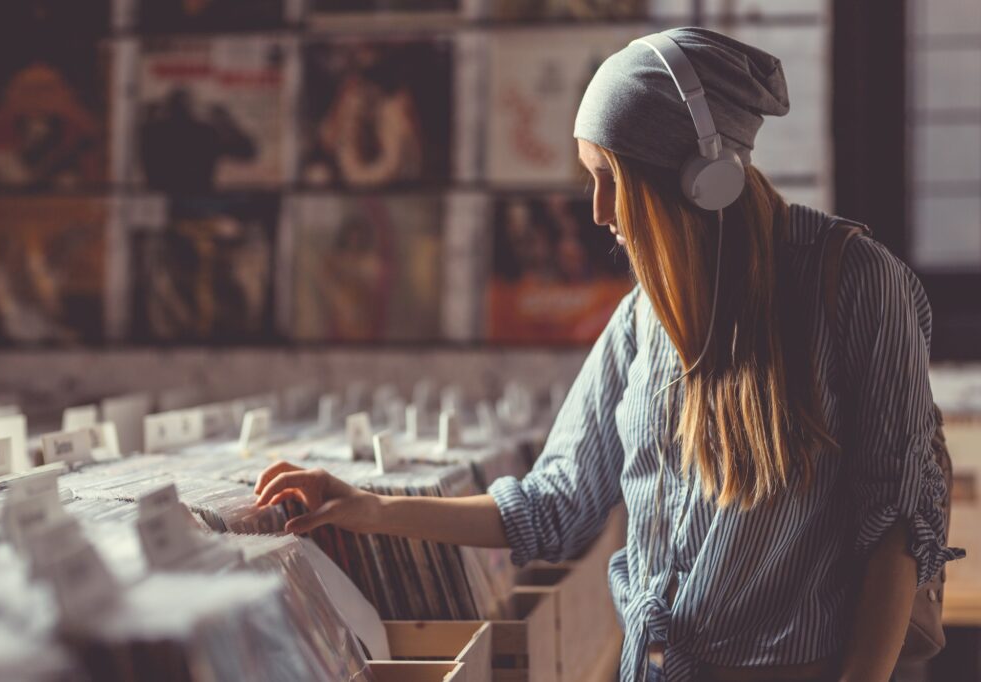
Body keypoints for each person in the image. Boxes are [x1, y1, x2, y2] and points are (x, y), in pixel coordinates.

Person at [252, 28, 963, 682]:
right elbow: (550, 508)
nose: (597, 210)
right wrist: (368, 507)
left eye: (610, 178)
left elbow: (897, 526)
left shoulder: (857, 282)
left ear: (698, 179)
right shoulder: (639, 322)